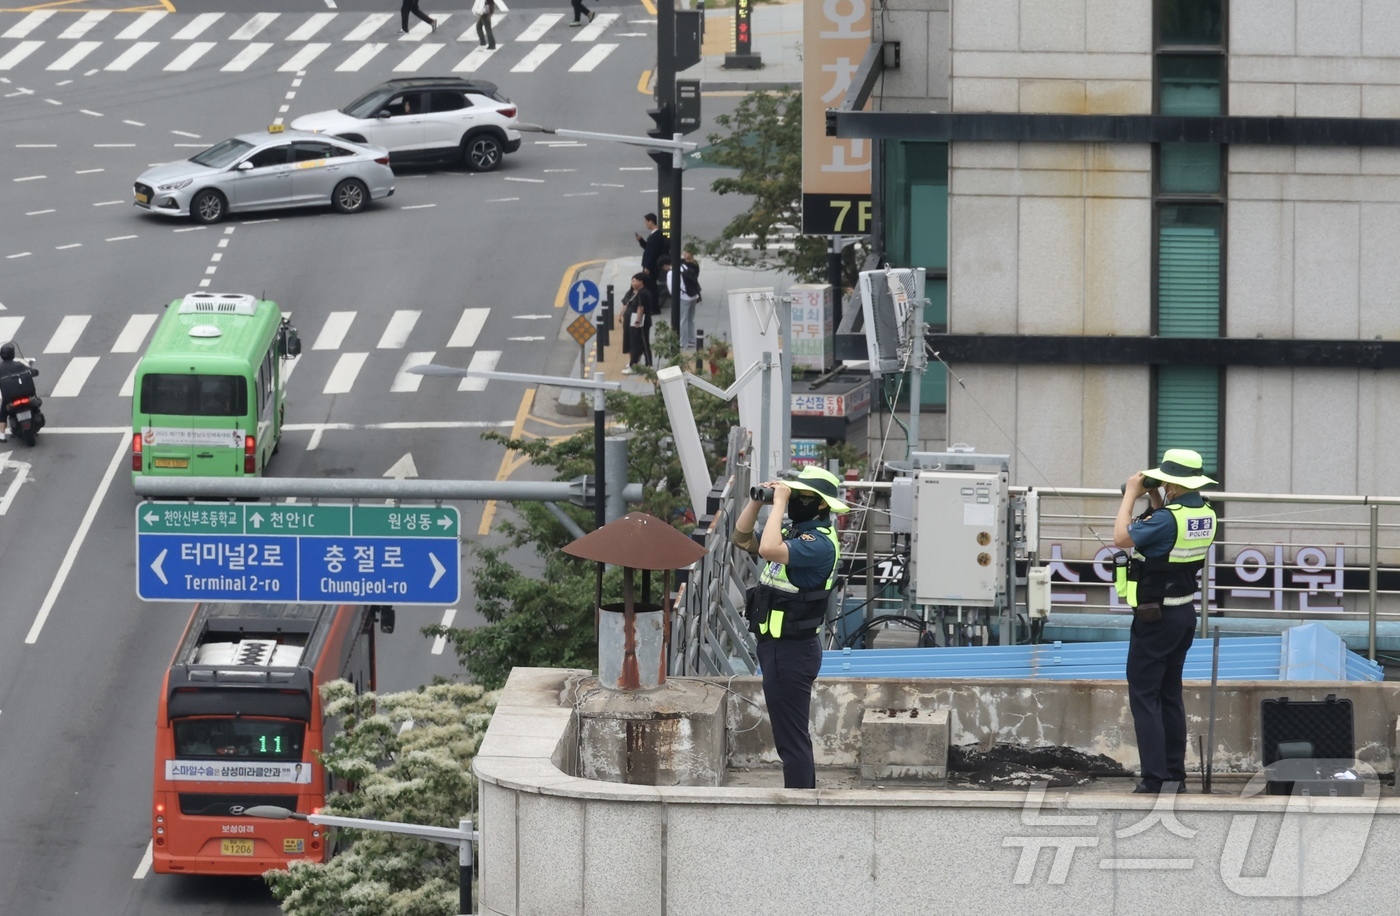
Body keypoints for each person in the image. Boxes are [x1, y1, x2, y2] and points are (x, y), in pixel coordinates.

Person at [733, 466, 850, 789]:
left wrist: (782, 501)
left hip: (792, 652)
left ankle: (800, 806)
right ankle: (802, 801)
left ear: (822, 504)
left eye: (802, 496)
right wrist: (758, 501)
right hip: (776, 649)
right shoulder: (795, 533)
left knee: (791, 741)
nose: (795, 499)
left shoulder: (818, 543)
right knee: (789, 736)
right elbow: (742, 538)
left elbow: (768, 549)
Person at [1112, 448, 1218, 795]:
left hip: (1155, 617)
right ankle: (1174, 775)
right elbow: (1168, 533)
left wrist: (1131, 494)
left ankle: (1154, 778)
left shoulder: (1166, 520)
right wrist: (1157, 495)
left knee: (1145, 696)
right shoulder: (1206, 513)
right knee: (1170, 695)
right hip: (1183, 613)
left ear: (1172, 483)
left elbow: (1122, 538)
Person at [0, 342, 38, 443]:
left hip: (10, 398)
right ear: (12, 354)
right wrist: (34, 371)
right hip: (26, 394)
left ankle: (2, 436)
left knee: (3, 412)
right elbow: (32, 372)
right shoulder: (19, 365)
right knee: (35, 402)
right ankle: (36, 416)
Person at [667, 249, 701, 350]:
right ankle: (691, 339)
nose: (684, 254)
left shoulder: (675, 270)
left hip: (683, 296)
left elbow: (672, 288)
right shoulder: (690, 266)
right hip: (692, 295)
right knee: (690, 319)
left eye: (687, 252)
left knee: (683, 320)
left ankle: (683, 342)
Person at [621, 273, 652, 374]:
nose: (632, 283)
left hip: (639, 323)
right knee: (640, 343)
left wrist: (638, 321)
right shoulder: (638, 292)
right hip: (636, 321)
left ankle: (634, 365)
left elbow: (640, 308)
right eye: (632, 281)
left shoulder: (642, 294)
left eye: (634, 281)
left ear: (641, 282)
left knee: (636, 344)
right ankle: (645, 364)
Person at [634, 212, 666, 304]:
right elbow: (648, 248)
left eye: (646, 222)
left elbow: (652, 253)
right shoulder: (653, 235)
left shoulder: (656, 236)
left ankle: (653, 307)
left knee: (651, 287)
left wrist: (647, 267)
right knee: (649, 286)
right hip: (650, 266)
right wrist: (641, 241)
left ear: (651, 222)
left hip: (651, 267)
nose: (645, 224)